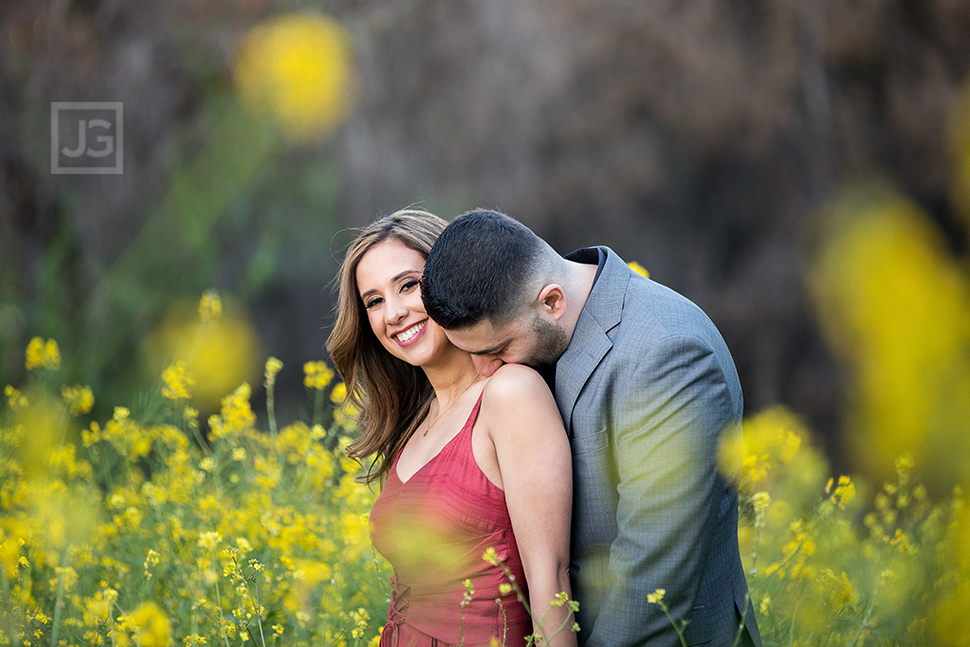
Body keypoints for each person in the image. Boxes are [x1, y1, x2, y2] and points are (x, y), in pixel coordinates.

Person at [421, 209, 762, 647]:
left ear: (552, 301)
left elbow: (653, 578)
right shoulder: (544, 328)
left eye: (498, 349)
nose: (485, 371)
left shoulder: (667, 354)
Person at [326, 209, 577, 647]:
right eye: (374, 301)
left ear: (449, 280)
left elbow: (549, 577)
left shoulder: (509, 394)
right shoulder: (412, 424)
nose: (394, 313)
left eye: (408, 285)